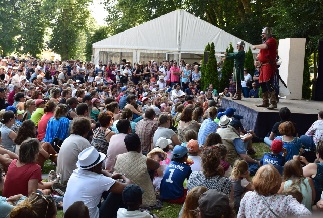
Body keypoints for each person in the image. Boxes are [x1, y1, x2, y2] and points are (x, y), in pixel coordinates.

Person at [63, 146, 131, 218]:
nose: (102, 165)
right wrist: (122, 176)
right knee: (116, 193)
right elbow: (128, 187)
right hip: (88, 216)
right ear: (95, 166)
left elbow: (99, 171)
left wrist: (110, 176)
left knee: (109, 187)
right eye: (100, 163)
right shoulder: (98, 180)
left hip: (70, 214)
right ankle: (128, 214)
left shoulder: (76, 172)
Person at [237, 165, 311, 217]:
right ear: (278, 182)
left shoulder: (247, 196)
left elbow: (240, 216)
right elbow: (306, 214)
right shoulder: (286, 201)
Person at [114, 133, 159, 207]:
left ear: (126, 146)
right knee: (150, 170)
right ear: (139, 145)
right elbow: (157, 165)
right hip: (143, 198)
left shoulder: (118, 157)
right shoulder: (145, 159)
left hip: (123, 197)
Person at [56, 117, 92, 184]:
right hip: (72, 181)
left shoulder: (68, 139)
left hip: (61, 178)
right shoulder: (83, 142)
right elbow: (93, 164)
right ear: (87, 130)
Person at [253, 27, 278, 110]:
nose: (262, 35)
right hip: (263, 66)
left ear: (267, 34)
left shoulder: (271, 40)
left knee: (268, 83)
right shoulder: (265, 41)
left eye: (263, 34)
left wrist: (256, 46)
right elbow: (261, 53)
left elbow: (265, 46)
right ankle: (265, 101)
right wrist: (258, 60)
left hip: (268, 65)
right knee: (262, 84)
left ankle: (273, 102)